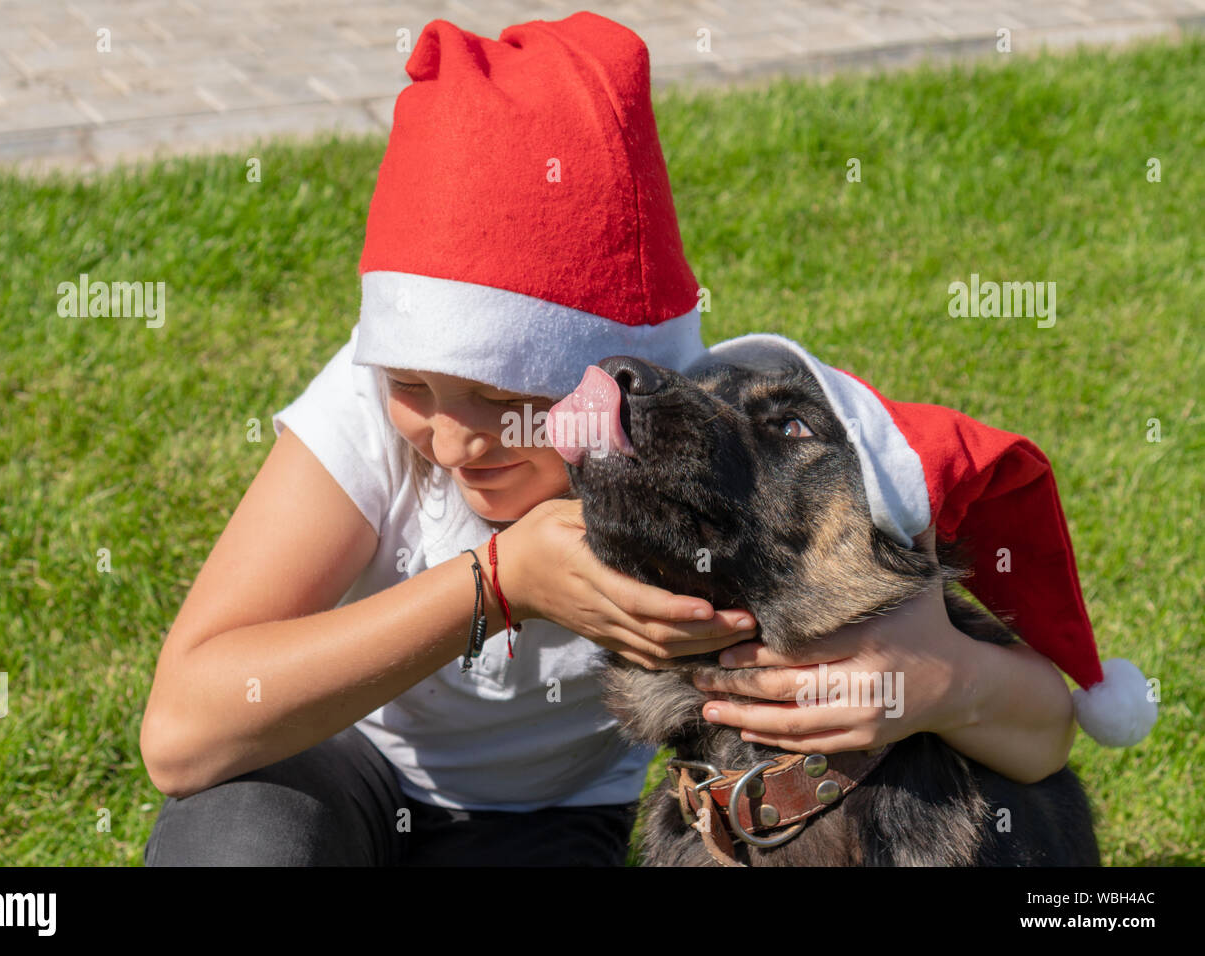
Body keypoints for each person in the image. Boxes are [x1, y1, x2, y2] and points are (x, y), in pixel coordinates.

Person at [139, 12, 1092, 867]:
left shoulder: (701, 478)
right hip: (331, 766)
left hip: (549, 822)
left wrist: (944, 680)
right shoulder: (371, 412)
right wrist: (495, 584)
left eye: (502, 395)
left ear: (625, 381)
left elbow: (1040, 726)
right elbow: (183, 733)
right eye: (415, 387)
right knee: (240, 842)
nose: (455, 439)